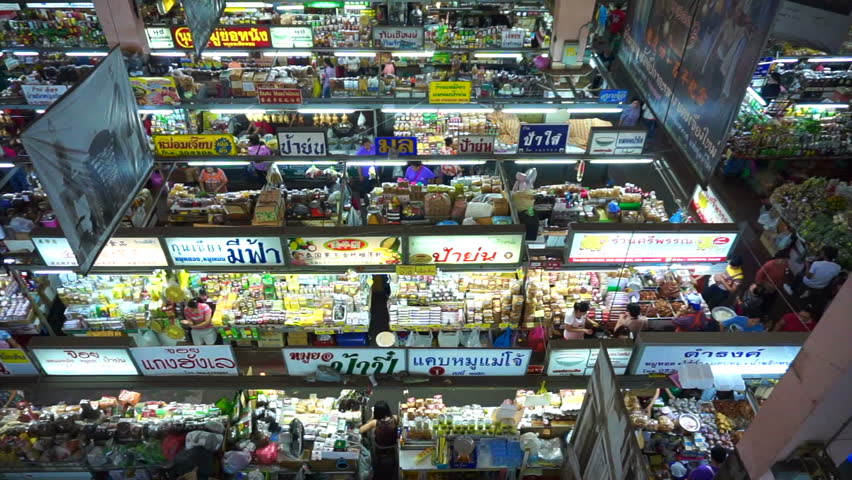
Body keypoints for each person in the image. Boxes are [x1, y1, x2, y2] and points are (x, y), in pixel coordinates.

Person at [359, 401, 399, 478]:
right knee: (392, 471)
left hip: (380, 452)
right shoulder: (395, 418)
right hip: (392, 451)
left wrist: (372, 417)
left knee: (380, 471)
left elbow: (361, 430)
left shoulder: (374, 422)